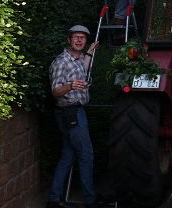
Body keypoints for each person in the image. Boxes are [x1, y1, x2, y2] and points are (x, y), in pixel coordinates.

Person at [46, 25, 100, 208]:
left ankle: (54, 199)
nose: (79, 40)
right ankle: (90, 200)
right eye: (76, 37)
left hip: (73, 112)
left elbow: (84, 67)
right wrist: (70, 86)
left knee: (68, 155)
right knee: (86, 155)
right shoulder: (61, 62)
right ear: (69, 40)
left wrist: (90, 52)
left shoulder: (76, 60)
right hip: (71, 113)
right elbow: (55, 91)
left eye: (82, 38)